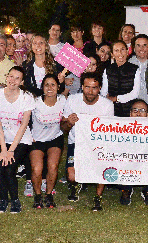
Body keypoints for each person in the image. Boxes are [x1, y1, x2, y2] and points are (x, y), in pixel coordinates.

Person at [60, 72, 114, 209]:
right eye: (87, 87)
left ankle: (98, 196)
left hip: (98, 144)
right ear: (82, 87)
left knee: (101, 167)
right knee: (71, 177)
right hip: (76, 143)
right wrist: (69, 123)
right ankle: (77, 184)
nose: (90, 91)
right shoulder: (72, 100)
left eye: (94, 87)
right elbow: (63, 128)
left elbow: (109, 132)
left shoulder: (107, 105)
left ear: (100, 88)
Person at [0, 66, 34, 214]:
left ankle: (15, 200)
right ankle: (3, 199)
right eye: (10, 76)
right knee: (0, 167)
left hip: (21, 140)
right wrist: (3, 150)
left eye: (17, 78)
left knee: (9, 168)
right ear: (6, 76)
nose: (12, 80)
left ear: (21, 82)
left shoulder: (27, 98)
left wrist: (10, 151)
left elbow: (23, 126)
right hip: (2, 138)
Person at [30, 75, 67, 209]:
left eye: (53, 85)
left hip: (55, 137)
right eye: (46, 85)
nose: (50, 88)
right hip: (37, 139)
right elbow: (25, 120)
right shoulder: (35, 102)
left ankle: (49, 194)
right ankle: (38, 195)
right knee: (37, 169)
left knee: (52, 166)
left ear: (58, 87)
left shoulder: (63, 100)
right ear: (42, 87)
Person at [118, 100, 148, 207]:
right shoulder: (121, 127)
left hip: (146, 160)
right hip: (128, 160)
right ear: (130, 113)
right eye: (135, 110)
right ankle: (126, 189)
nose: (138, 113)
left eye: (142, 111)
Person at [101, 40, 141, 117]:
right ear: (112, 54)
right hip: (110, 109)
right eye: (116, 50)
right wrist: (107, 100)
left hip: (129, 110)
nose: (120, 53)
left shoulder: (135, 69)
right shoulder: (108, 69)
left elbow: (135, 93)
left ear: (127, 51)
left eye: (122, 49)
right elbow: (104, 91)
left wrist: (116, 99)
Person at [129, 34, 148, 105]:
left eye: (144, 45)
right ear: (134, 48)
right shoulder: (128, 64)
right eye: (138, 45)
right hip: (132, 104)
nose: (141, 48)